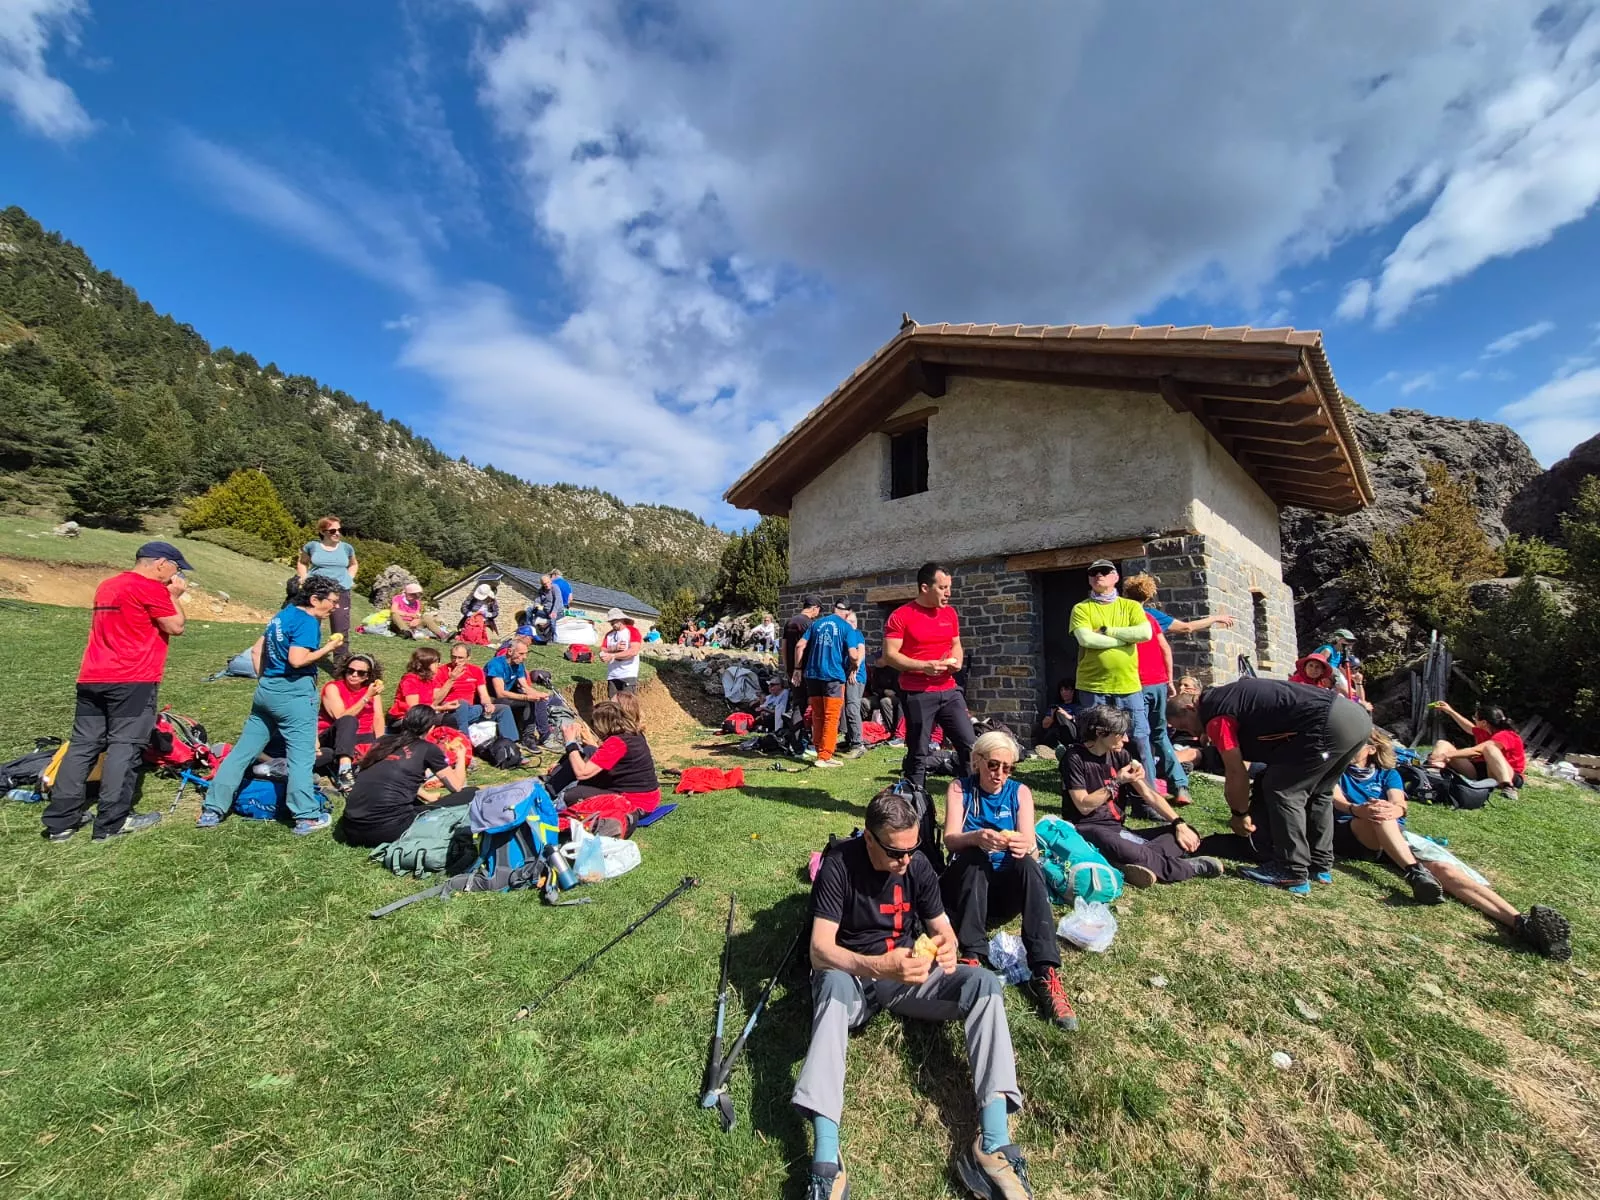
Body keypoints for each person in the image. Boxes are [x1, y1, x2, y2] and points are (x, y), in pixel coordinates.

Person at [793, 787, 1034, 1200]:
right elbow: (819, 950)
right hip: (853, 979)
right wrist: (877, 966)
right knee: (830, 980)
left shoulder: (917, 864)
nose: (905, 862)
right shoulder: (839, 865)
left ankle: (992, 1143)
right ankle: (826, 1160)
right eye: (895, 853)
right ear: (868, 838)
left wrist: (945, 945)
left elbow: (942, 927)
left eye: (912, 849)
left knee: (985, 984)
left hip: (907, 977)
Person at [42, 541, 191, 843]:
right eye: (176, 568)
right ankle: (112, 821)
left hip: (93, 676)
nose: (177, 575)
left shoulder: (108, 585)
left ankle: (61, 821)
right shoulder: (151, 588)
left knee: (83, 745)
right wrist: (175, 596)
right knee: (125, 746)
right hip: (132, 678)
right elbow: (176, 626)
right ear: (161, 563)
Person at [1168, 677, 1371, 895]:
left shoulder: (1216, 714)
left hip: (1327, 723)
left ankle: (1290, 870)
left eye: (1184, 725)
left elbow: (1236, 770)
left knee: (1282, 789)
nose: (1190, 733)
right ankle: (1320, 865)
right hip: (1356, 718)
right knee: (1319, 792)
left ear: (1190, 708)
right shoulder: (1226, 696)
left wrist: (1239, 814)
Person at [942, 731, 1078, 1028]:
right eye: (993, 765)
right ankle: (973, 953)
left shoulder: (1020, 793)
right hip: (964, 884)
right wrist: (975, 837)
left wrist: (1024, 845)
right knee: (975, 856)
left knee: (1029, 865)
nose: (1000, 774)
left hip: (1002, 891)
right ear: (976, 761)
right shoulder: (959, 789)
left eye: (1008, 768)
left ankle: (1044, 969)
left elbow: (1029, 839)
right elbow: (950, 839)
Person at [198, 578, 346, 834]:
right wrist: (329, 648)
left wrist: (266, 679)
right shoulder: (307, 622)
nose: (336, 606)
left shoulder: (283, 614)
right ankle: (307, 816)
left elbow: (257, 651)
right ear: (314, 600)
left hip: (267, 690)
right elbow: (298, 660)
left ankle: (213, 809)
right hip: (294, 693)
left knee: (243, 752)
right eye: (333, 601)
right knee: (301, 757)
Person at [1059, 705, 1224, 888]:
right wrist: (1116, 782)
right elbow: (1083, 805)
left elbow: (1149, 794)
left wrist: (1179, 823)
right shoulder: (1074, 757)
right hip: (1087, 828)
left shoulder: (1120, 755)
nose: (1126, 738)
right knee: (1118, 843)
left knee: (1182, 833)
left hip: (1118, 829)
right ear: (1100, 733)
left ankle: (1128, 862)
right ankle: (1187, 868)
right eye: (1120, 734)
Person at [1120, 572, 1234, 806]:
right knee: (1160, 734)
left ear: (1123, 594)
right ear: (1148, 596)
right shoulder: (1152, 616)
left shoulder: (1121, 617)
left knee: (1141, 737)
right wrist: (1169, 680)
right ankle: (1180, 786)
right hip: (1159, 682)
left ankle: (1150, 789)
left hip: (1136, 683)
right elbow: (1183, 630)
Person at [884, 563, 975, 798]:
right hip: (918, 693)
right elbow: (890, 656)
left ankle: (971, 798)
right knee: (919, 751)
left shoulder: (949, 613)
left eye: (949, 587)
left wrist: (957, 660)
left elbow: (956, 644)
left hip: (949, 690)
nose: (948, 593)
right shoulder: (901, 616)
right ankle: (916, 802)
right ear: (925, 587)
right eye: (943, 587)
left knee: (970, 745)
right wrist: (923, 666)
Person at [1331, 729, 1446, 903]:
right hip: (1353, 832)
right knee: (1378, 813)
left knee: (1380, 811)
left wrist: (1392, 809)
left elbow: (1399, 803)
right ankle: (1415, 872)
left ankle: (1417, 875)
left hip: (1387, 828)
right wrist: (1358, 809)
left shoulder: (1388, 774)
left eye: (1356, 744)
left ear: (1372, 749)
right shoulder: (1335, 771)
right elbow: (1337, 800)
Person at [337, 706, 472, 848]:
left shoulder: (382, 742)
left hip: (350, 829)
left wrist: (426, 796)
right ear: (431, 728)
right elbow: (457, 787)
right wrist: (461, 757)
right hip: (386, 831)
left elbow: (392, 777)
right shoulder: (427, 749)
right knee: (471, 793)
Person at [1068, 559, 1152, 780]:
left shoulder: (1131, 606)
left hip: (1128, 685)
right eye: (1093, 572)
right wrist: (1124, 640)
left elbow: (1144, 634)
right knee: (1094, 741)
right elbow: (1086, 639)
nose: (1099, 576)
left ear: (1116, 577)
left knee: (1138, 740)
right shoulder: (1081, 608)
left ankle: (1146, 799)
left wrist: (1107, 630)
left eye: (1105, 571)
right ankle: (1098, 789)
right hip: (1093, 686)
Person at [550, 694, 661, 820]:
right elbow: (605, 758)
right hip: (648, 798)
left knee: (572, 794)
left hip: (635, 803)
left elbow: (582, 773)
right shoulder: (634, 734)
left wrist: (570, 742)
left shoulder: (617, 742)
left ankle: (548, 810)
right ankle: (551, 788)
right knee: (588, 753)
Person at [795, 600, 862, 768]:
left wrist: (797, 668)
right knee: (832, 716)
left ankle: (819, 751)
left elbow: (799, 645)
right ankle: (825, 757)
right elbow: (854, 655)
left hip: (812, 675)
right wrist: (854, 666)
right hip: (833, 676)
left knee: (818, 714)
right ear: (848, 612)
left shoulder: (817, 623)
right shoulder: (847, 628)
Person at [317, 654, 386, 791]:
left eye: (360, 673)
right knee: (349, 720)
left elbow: (378, 718)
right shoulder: (333, 688)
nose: (354, 675)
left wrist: (381, 744)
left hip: (363, 736)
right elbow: (341, 718)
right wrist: (366, 697)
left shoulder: (372, 691)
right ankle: (345, 770)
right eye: (350, 670)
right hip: (334, 735)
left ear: (367, 676)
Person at [1428, 703, 1526, 798]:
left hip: (1509, 775)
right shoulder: (1484, 731)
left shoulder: (1506, 735)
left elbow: (1476, 751)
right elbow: (1468, 727)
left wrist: (1446, 755)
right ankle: (1433, 771)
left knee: (1489, 748)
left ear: (1484, 722)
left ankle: (1508, 787)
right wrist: (1450, 711)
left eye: (1475, 718)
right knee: (1442, 743)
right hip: (1482, 772)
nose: (1474, 720)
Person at [437, 643, 517, 743]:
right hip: (450, 709)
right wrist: (451, 680)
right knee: (461, 703)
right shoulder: (441, 671)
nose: (456, 661)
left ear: (468, 657)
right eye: (453, 657)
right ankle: (464, 741)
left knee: (503, 709)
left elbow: (483, 694)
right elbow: (436, 699)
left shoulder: (475, 671)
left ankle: (511, 744)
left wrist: (488, 704)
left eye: (460, 658)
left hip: (471, 709)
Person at [485, 639, 557, 748]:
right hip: (491, 698)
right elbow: (500, 693)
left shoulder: (518, 665)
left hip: (507, 695)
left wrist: (539, 694)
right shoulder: (496, 664)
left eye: (526, 654)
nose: (524, 657)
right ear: (510, 652)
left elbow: (525, 686)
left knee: (537, 700)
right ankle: (527, 737)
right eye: (521, 654)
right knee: (528, 702)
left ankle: (541, 735)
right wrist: (527, 697)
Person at [296, 517, 358, 638]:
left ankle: (341, 656)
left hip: (340, 590)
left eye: (339, 530)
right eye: (332, 531)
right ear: (322, 531)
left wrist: (350, 578)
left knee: (340, 628)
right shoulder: (312, 546)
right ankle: (305, 653)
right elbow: (302, 562)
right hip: (316, 591)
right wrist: (304, 577)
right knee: (310, 624)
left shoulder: (346, 548)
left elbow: (353, 564)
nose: (337, 533)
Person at [837, 609, 869, 759]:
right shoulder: (847, 635)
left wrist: (854, 669)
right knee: (846, 707)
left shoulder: (856, 634)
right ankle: (850, 739)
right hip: (848, 676)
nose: (849, 625)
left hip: (855, 677)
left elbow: (861, 652)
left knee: (852, 708)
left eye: (851, 622)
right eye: (847, 622)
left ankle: (858, 744)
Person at [389, 647, 450, 721]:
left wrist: (452, 680)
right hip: (406, 717)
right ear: (426, 664)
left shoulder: (431, 679)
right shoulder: (410, 680)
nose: (439, 664)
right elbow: (415, 709)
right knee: (447, 720)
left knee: (458, 709)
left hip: (425, 714)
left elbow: (437, 698)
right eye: (436, 662)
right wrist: (441, 708)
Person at [599, 607, 643, 697]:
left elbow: (633, 651)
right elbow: (602, 650)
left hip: (628, 674)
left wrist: (613, 656)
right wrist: (613, 648)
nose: (612, 624)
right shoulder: (609, 634)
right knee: (613, 705)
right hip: (612, 674)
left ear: (620, 619)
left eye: (613, 621)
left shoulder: (632, 631)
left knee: (627, 705)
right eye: (610, 622)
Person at [1313, 628, 1358, 699]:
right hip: (1322, 679)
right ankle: (1353, 700)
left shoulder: (1339, 653)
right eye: (1348, 641)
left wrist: (1350, 678)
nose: (1350, 644)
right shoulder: (1328, 650)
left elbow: (1339, 669)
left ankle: (1353, 699)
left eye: (1351, 642)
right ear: (1338, 640)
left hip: (1331, 680)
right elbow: (1317, 665)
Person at [1036, 678, 1079, 752]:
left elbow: (1080, 722)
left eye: (1066, 690)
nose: (1063, 692)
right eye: (1061, 690)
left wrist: (1066, 715)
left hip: (1072, 732)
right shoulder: (1055, 707)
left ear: (1073, 691)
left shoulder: (1078, 707)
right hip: (1057, 732)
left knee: (1060, 715)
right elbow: (1045, 725)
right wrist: (1053, 715)